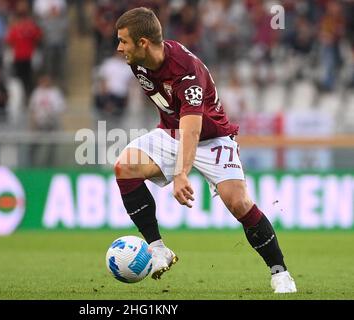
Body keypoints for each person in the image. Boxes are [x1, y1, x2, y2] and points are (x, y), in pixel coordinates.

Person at [113, 7, 297, 293]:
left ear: (143, 43)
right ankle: (158, 248)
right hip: (171, 132)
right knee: (125, 167)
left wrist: (181, 174)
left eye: (123, 41)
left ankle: (280, 272)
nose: (119, 47)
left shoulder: (185, 71)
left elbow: (193, 128)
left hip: (212, 138)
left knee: (238, 203)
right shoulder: (137, 61)